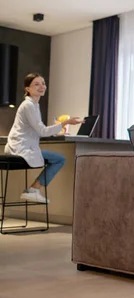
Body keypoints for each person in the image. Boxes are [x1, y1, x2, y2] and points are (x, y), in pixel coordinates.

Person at [4, 73, 82, 204]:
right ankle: (34, 190)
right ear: (27, 89)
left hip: (22, 147)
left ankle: (34, 190)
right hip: (20, 149)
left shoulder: (34, 105)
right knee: (59, 159)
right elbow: (42, 131)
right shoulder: (28, 105)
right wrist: (65, 123)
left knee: (57, 158)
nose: (42, 86)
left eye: (43, 83)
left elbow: (39, 130)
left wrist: (57, 128)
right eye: (36, 84)